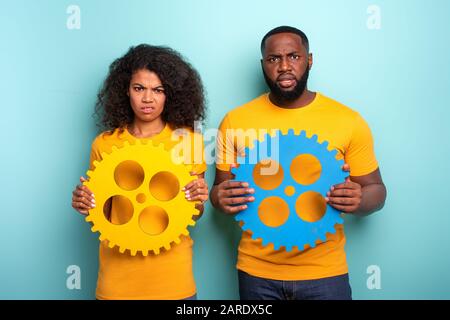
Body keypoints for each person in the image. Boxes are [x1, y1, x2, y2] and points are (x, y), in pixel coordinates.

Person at [211, 26, 387, 300]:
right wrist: (220, 199)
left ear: (309, 60)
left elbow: (376, 190)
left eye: (293, 56)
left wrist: (359, 200)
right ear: (263, 65)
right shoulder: (235, 121)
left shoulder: (347, 120)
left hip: (325, 272)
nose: (284, 66)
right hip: (257, 272)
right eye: (273, 59)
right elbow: (219, 192)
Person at [71, 44, 208, 300]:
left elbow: (195, 214)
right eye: (139, 88)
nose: (148, 99)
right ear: (126, 90)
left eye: (158, 90)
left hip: (173, 281)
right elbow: (102, 212)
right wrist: (84, 201)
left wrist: (199, 199)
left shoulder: (189, 141)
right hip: (117, 282)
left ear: (171, 94)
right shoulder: (105, 143)